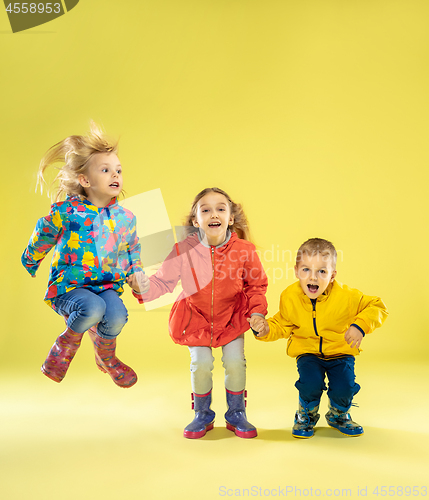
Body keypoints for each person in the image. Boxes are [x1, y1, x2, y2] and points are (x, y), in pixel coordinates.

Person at [129, 187, 268, 439]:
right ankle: (202, 414)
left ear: (230, 218)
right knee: (200, 363)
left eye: (220, 208)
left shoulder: (245, 250)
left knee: (235, 362)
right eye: (206, 210)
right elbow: (163, 282)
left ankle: (237, 413)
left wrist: (257, 313)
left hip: (231, 319)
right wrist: (144, 287)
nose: (213, 214)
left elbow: (256, 286)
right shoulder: (183, 249)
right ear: (196, 221)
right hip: (196, 320)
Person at [21, 122, 145, 388]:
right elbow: (44, 232)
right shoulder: (66, 212)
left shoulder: (125, 218)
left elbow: (132, 250)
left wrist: (137, 277)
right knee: (92, 308)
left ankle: (106, 357)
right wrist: (31, 258)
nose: (115, 175)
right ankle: (65, 345)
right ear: (85, 180)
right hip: (70, 287)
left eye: (118, 170)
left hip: (106, 286)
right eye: (106, 169)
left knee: (116, 315)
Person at [252, 238, 388, 438]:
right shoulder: (289, 296)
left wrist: (360, 326)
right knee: (310, 384)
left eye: (321, 272)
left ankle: (338, 414)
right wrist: (264, 331)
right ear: (296, 271)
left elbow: (377, 306)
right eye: (306, 270)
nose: (313, 277)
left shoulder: (346, 296)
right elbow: (282, 324)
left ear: (332, 275)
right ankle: (305, 415)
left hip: (340, 351)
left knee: (345, 387)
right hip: (308, 352)